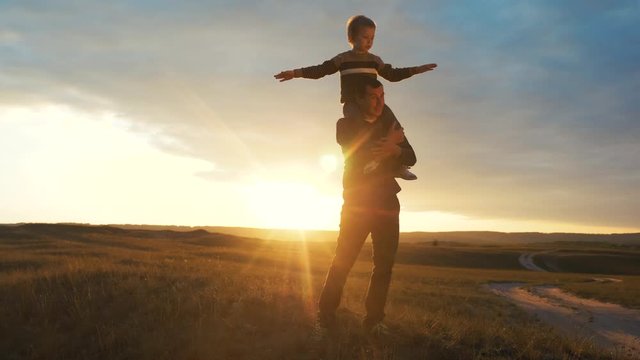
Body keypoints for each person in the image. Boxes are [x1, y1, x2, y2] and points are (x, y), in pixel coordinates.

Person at [274, 15, 435, 181]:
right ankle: (368, 161)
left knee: (393, 124)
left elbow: (392, 74)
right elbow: (320, 70)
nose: (369, 41)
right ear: (351, 38)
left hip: (374, 103)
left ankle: (400, 166)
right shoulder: (343, 59)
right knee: (359, 130)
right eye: (365, 37)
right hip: (353, 105)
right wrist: (295, 73)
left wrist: (416, 70)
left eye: (372, 38)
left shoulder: (374, 60)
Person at [315, 77, 416, 339]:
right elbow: (360, 153)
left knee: (384, 266)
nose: (380, 101)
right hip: (357, 203)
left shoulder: (389, 124)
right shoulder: (345, 125)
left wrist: (394, 147)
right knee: (343, 261)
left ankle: (374, 322)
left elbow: (412, 157)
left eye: (382, 95)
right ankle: (324, 319)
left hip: (387, 202)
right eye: (373, 97)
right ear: (359, 100)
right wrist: (392, 146)